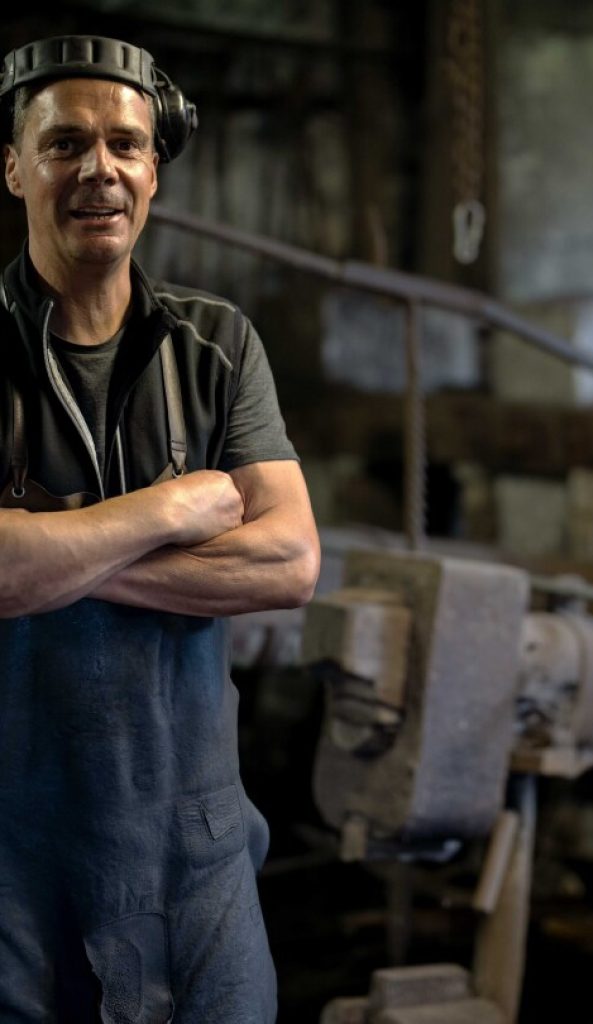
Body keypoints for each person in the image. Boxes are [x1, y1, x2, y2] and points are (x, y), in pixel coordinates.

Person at [0, 34, 320, 1021]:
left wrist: (50, 551)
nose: (100, 170)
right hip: (15, 846)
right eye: (65, 145)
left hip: (197, 847)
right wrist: (168, 511)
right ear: (13, 166)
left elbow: (291, 560)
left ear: (153, 170)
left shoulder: (217, 346)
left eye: (126, 145)